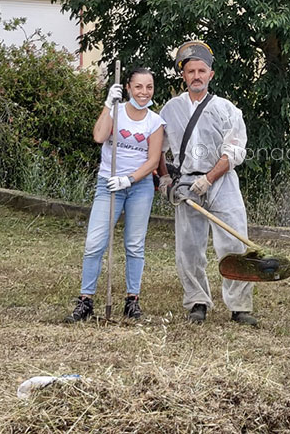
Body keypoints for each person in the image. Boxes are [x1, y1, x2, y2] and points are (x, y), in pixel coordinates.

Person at [158, 40, 258, 326]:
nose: (196, 76)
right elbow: (157, 148)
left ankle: (240, 306)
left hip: (222, 181)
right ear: (183, 75)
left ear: (211, 74)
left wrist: (209, 179)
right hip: (186, 185)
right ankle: (197, 302)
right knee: (189, 248)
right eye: (191, 71)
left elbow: (234, 151)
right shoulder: (170, 110)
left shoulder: (227, 110)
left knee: (234, 242)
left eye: (202, 71)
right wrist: (165, 178)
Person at [67, 67, 164, 322]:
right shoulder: (116, 112)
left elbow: (153, 161)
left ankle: (132, 301)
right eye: (138, 86)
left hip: (139, 187)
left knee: (134, 244)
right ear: (128, 88)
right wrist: (108, 104)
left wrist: (129, 179)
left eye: (149, 87)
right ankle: (86, 300)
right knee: (95, 243)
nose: (144, 92)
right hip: (108, 185)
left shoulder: (154, 121)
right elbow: (99, 136)